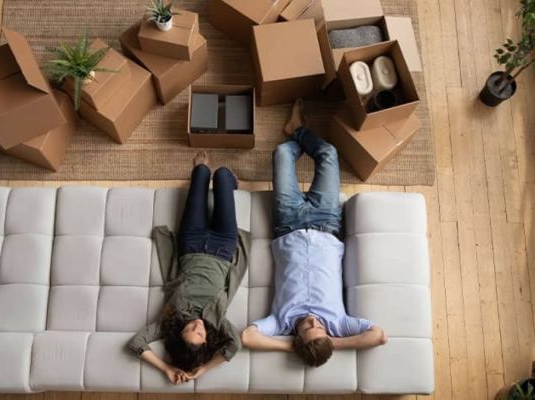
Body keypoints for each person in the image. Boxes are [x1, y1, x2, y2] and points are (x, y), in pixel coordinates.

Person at [241, 100, 388, 367]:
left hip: (287, 223)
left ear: (296, 338)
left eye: (308, 328)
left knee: (282, 153)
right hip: (326, 221)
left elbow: (248, 337)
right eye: (318, 327)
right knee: (328, 153)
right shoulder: (338, 323)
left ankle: (295, 133)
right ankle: (298, 130)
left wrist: (288, 345)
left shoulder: (280, 322)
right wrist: (331, 340)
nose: (313, 321)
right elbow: (378, 336)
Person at [128, 152, 249, 384]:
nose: (197, 325)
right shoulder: (218, 323)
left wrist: (166, 368)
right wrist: (204, 369)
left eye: (190, 329)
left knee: (201, 171)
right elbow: (235, 345)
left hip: (190, 243)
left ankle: (203, 171)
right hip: (223, 247)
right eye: (200, 333)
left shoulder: (168, 323)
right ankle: (229, 183)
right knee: (223, 175)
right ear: (206, 340)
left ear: (179, 335)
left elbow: (136, 343)